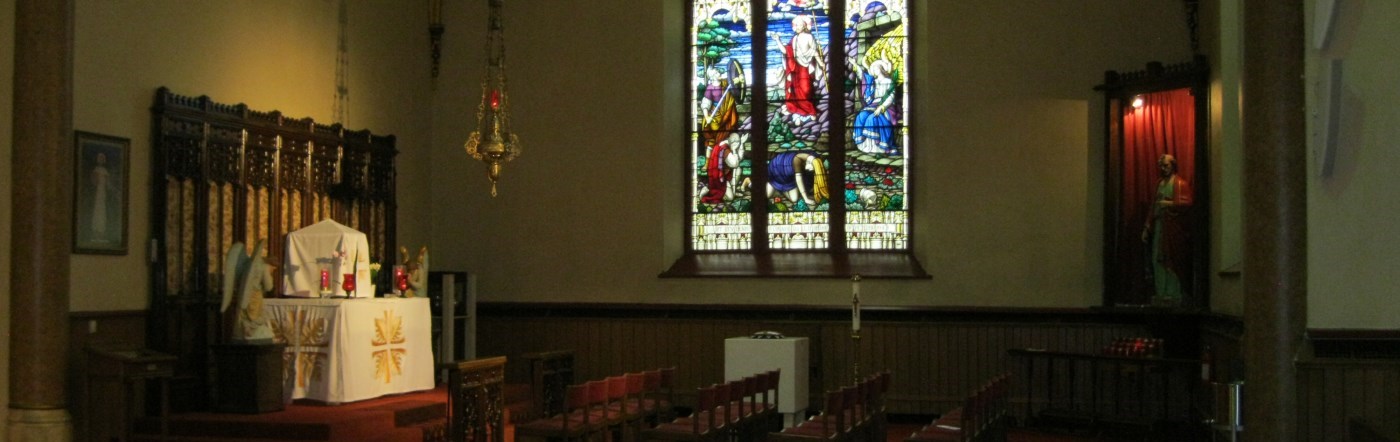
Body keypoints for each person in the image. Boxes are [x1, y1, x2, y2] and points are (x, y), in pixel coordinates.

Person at [1141, 154, 1192, 306]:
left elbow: (1188, 203)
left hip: (1173, 228)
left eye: (1167, 166)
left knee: (1172, 258)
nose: (1164, 169)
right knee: (1157, 257)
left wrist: (1169, 204)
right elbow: (1153, 206)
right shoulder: (1159, 184)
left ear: (1173, 165)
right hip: (1159, 226)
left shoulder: (1180, 183)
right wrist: (1147, 227)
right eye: (1162, 166)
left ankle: (1173, 293)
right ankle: (1160, 292)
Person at [773, 15, 825, 123]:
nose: (797, 27)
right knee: (795, 92)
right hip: (795, 70)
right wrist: (778, 40)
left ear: (805, 26)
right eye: (796, 25)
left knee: (806, 91)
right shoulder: (794, 39)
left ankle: (811, 111)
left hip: (805, 69)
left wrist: (821, 63)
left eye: (799, 25)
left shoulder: (809, 37)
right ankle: (800, 112)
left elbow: (814, 51)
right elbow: (785, 51)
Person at [852, 59, 897, 154]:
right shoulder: (873, 81)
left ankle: (878, 147)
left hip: (886, 107)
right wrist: (855, 64)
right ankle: (865, 146)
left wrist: (882, 107)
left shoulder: (889, 81)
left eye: (876, 68)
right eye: (873, 69)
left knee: (872, 118)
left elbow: (891, 96)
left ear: (881, 69)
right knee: (861, 116)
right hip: (872, 105)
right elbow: (863, 76)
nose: (874, 70)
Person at [701, 132, 746, 204]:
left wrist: (741, 144)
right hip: (719, 179)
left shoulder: (726, 145)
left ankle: (731, 189)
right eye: (736, 145)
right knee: (730, 198)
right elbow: (735, 163)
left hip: (725, 174)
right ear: (732, 142)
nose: (737, 147)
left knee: (738, 170)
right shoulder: (725, 150)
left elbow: (739, 159)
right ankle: (707, 190)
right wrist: (734, 150)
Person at [89, 152, 111, 242]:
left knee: (102, 210)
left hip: (103, 193)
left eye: (102, 159)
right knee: (97, 210)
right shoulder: (96, 170)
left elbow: (107, 182)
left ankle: (102, 231)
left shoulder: (105, 171)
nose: (101, 160)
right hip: (98, 193)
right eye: (100, 159)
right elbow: (94, 181)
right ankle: (96, 231)